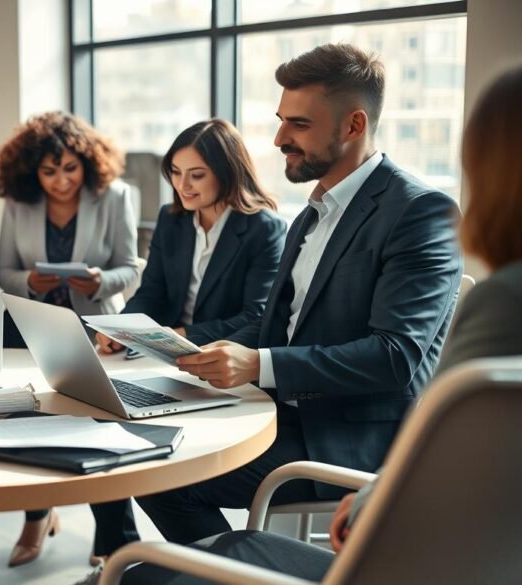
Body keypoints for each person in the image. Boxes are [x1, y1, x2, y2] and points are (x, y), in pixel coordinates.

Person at [119, 61, 522, 585]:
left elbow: (395, 357)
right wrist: (199, 356)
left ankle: (211, 574)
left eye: (299, 125)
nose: (279, 138)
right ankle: (217, 572)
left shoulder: (418, 212)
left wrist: (259, 364)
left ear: (354, 126)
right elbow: (276, 324)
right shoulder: (311, 213)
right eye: (281, 119)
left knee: (166, 475)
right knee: (150, 453)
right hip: (285, 414)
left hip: (345, 438)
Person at [91, 118, 286, 563]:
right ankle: (113, 549)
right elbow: (152, 291)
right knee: (99, 417)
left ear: (228, 171)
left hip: (219, 366)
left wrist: (183, 337)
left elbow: (258, 317)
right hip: (161, 357)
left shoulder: (264, 229)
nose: (183, 186)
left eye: (196, 174)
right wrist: (120, 330)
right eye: (175, 174)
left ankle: (216, 568)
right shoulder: (172, 219)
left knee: (151, 465)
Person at [0, 110, 140, 567]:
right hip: (31, 324)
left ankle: (114, 537)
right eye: (49, 171)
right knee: (26, 419)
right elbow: (4, 270)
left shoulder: (114, 197)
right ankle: (37, 514)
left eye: (70, 169)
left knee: (100, 427)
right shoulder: (19, 203)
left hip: (95, 329)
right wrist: (27, 283)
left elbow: (131, 266)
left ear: (88, 163)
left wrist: (99, 281)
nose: (60, 181)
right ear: (32, 171)